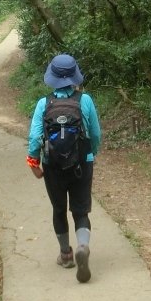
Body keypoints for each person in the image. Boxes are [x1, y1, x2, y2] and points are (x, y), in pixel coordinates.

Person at [26, 53, 102, 283]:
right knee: (81, 211)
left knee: (59, 209)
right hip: (81, 163)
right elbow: (96, 134)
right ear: (74, 76)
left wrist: (34, 164)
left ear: (52, 77)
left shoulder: (44, 104)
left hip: (53, 166)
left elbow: (34, 138)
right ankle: (82, 246)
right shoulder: (85, 101)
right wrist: (91, 154)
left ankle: (66, 255)